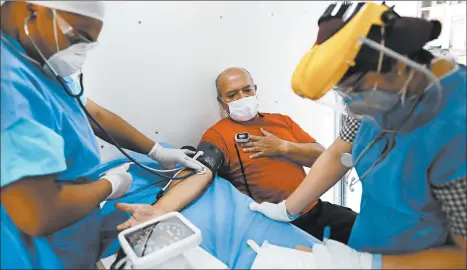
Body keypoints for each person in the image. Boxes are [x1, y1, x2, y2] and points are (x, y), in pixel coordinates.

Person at [249, 2, 466, 269]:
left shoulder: (456, 128)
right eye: (344, 94)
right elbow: (339, 151)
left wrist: (366, 264)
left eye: (355, 89)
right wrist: (289, 208)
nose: (351, 104)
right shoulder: (382, 98)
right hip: (369, 238)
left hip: (423, 258)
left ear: (397, 65)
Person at [0, 1, 203, 268]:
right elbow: (38, 213)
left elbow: (95, 115)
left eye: (89, 44)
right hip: (39, 245)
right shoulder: (9, 85)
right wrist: (110, 185)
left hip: (75, 226)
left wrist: (157, 150)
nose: (80, 53)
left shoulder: (40, 59)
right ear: (31, 10)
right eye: (77, 38)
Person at [115, 67, 358, 244]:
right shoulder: (219, 134)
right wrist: (160, 209)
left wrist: (283, 147)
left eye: (246, 90)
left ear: (255, 90)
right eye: (232, 95)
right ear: (222, 102)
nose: (242, 98)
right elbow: (201, 171)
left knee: (370, 234)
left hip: (313, 209)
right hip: (272, 220)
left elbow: (323, 157)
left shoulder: (282, 121)